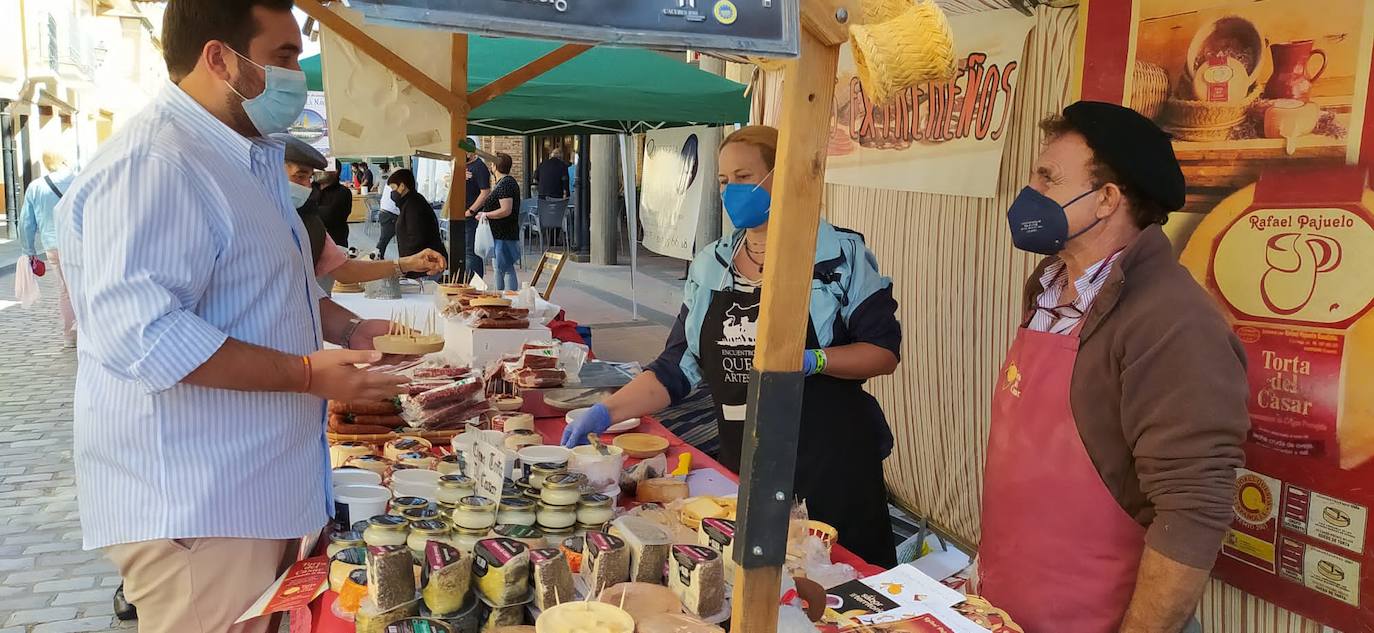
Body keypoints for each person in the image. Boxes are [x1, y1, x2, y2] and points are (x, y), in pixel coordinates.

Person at [54, 3, 410, 632]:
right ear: (219, 58)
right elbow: (147, 334)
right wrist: (307, 375)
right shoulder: (158, 163)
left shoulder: (242, 158)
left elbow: (269, 291)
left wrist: (351, 330)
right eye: (282, 57)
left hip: (251, 494)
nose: (297, 75)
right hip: (202, 507)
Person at [562, 126, 902, 567]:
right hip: (746, 456)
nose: (731, 191)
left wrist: (814, 359)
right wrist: (608, 410)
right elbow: (678, 367)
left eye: (744, 177)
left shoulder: (840, 256)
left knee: (843, 586)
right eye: (724, 181)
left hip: (830, 462)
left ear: (783, 176)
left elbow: (883, 351)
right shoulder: (713, 263)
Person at [976, 101, 1248, 633]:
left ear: (1105, 200)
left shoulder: (1174, 320)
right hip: (1015, 599)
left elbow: (1192, 509)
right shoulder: (1053, 289)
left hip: (1101, 616)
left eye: (1047, 178)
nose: (1029, 194)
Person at [273, 133, 445, 285]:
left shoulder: (310, 224)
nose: (307, 186)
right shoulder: (251, 223)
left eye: (309, 177)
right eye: (300, 176)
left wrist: (408, 263)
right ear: (268, 172)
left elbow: (344, 270)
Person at [18, 150, 77, 348]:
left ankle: (69, 334)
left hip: (53, 245)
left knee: (65, 289)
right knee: (85, 285)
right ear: (64, 159)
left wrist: (29, 251)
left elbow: (26, 222)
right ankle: (88, 330)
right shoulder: (80, 181)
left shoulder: (36, 186)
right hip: (81, 242)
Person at [388, 167, 449, 278]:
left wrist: (406, 265)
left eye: (393, 188)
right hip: (419, 266)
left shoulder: (413, 204)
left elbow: (416, 237)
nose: (392, 192)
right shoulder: (410, 202)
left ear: (402, 186)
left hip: (424, 268)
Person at [478, 152, 523, 291]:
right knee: (500, 268)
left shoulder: (506, 184)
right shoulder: (504, 183)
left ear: (495, 166)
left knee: (505, 268)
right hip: (501, 233)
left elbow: (506, 210)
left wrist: (486, 214)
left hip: (504, 234)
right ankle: (501, 295)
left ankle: (507, 297)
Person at [462, 152, 492, 280]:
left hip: (471, 217)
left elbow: (485, 192)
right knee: (466, 252)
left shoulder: (479, 167)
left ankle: (474, 284)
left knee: (471, 253)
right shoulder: (463, 166)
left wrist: (471, 211)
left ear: (472, 153)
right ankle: (468, 282)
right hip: (462, 216)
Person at [315, 167, 351, 247]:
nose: (319, 171)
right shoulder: (311, 188)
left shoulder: (343, 192)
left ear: (336, 171)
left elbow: (332, 216)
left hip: (335, 240)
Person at [376, 169, 401, 258]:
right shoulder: (396, 185)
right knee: (384, 240)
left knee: (384, 240)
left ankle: (377, 259)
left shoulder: (390, 183)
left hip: (385, 213)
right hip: (390, 215)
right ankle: (377, 259)